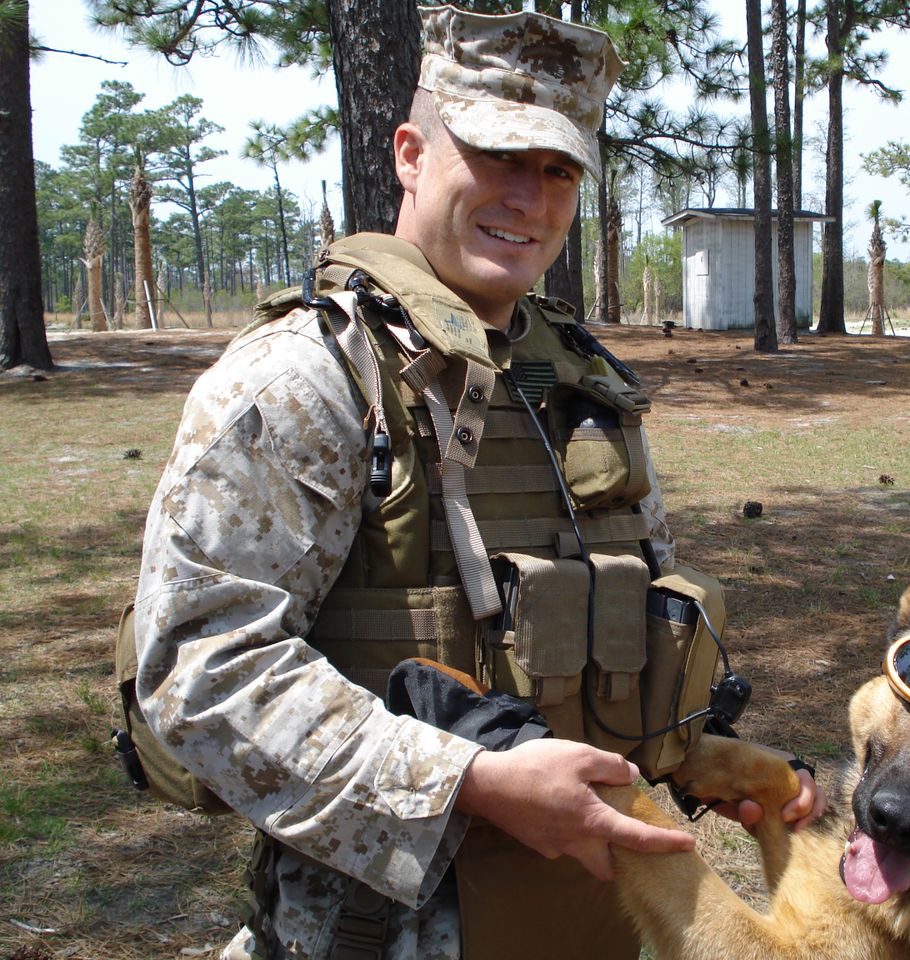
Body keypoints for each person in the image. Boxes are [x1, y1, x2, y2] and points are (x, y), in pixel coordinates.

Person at [132, 6, 823, 959]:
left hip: (594, 922)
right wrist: (467, 781)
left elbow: (610, 635)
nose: (529, 198)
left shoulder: (577, 381)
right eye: (498, 156)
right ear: (411, 154)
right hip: (379, 934)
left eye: (558, 169)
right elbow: (200, 670)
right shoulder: (309, 379)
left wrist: (697, 752)